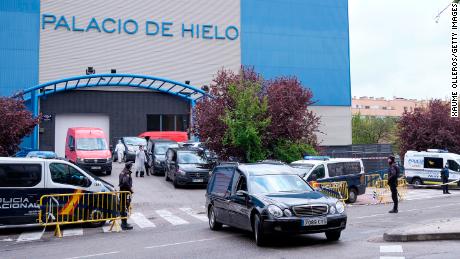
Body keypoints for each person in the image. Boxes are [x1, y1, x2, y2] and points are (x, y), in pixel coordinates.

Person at [119, 162, 133, 230]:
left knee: (123, 207)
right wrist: (130, 190)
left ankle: (124, 223)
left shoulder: (122, 172)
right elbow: (125, 182)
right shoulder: (126, 173)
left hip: (122, 192)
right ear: (129, 166)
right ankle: (124, 224)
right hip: (125, 193)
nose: (132, 167)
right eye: (131, 166)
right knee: (125, 208)